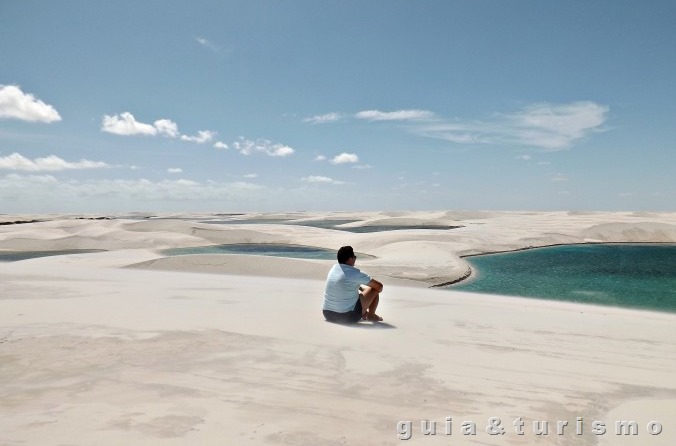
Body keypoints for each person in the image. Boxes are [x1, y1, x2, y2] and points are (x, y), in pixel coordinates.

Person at [322, 245, 384, 324]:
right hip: (347, 317)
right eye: (354, 256)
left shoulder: (333, 270)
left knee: (352, 293)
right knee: (374, 289)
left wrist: (361, 289)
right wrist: (366, 292)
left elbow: (344, 288)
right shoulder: (354, 273)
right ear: (350, 258)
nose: (355, 259)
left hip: (328, 314)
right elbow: (379, 287)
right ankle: (371, 315)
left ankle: (363, 312)